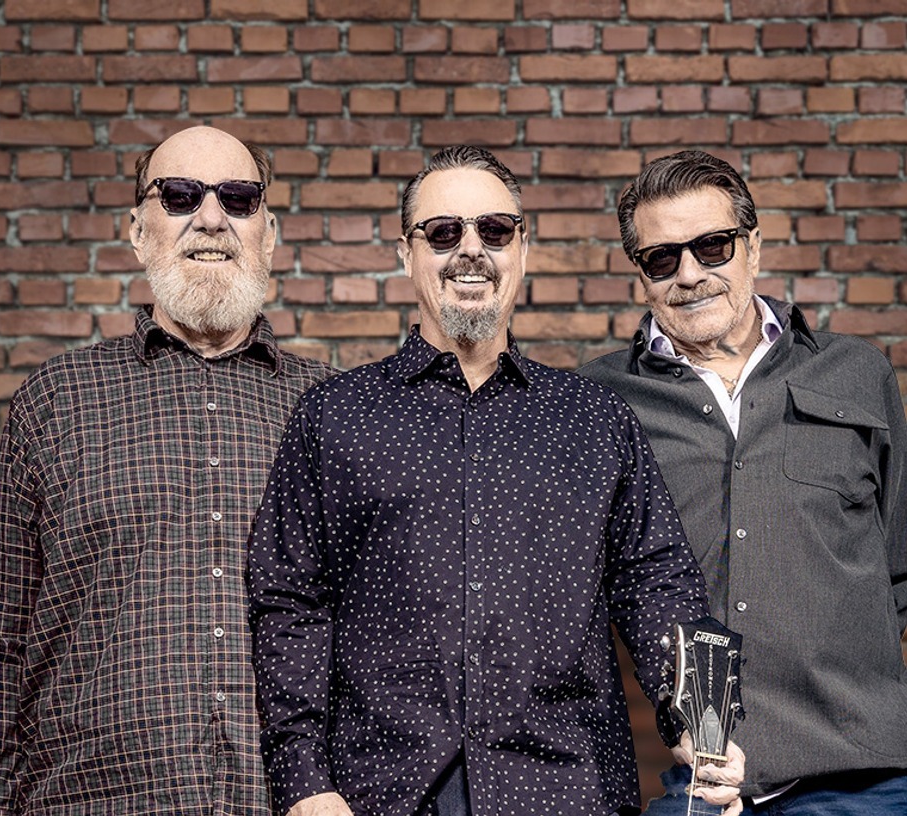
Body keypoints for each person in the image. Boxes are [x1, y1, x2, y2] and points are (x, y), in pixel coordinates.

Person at [246, 145, 744, 816]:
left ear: (523, 248)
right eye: (442, 232)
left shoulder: (595, 419)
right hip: (384, 792)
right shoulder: (335, 417)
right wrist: (304, 783)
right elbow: (291, 604)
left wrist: (705, 728)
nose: (471, 249)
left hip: (569, 790)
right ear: (405, 254)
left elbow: (662, 585)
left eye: (495, 229)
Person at [0, 126, 334, 815]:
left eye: (239, 198)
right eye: (179, 195)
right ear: (137, 231)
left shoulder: (332, 409)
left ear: (268, 233)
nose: (211, 218)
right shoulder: (54, 402)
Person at [579, 149, 907, 814]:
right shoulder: (598, 402)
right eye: (662, 258)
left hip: (861, 779)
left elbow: (897, 572)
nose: (689, 274)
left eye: (713, 246)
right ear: (641, 274)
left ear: (752, 247)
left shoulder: (856, 373)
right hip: (703, 779)